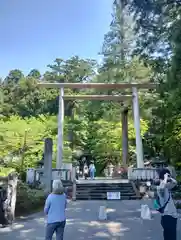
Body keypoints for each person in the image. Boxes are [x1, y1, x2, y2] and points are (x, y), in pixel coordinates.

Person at [152, 168, 178, 240]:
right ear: (163, 176)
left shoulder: (166, 186)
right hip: (167, 216)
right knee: (169, 237)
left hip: (172, 215)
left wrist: (169, 178)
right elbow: (162, 187)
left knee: (172, 236)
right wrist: (165, 178)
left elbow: (175, 183)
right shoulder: (160, 187)